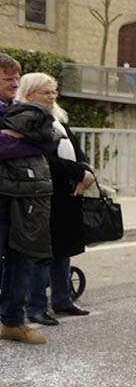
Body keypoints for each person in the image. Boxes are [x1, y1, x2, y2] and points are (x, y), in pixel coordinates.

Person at [16, 73, 94, 326]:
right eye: (46, 93)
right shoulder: (29, 123)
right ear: (30, 96)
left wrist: (86, 175)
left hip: (67, 196)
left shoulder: (58, 122)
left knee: (63, 252)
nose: (52, 97)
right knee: (42, 255)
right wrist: (79, 173)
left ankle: (63, 300)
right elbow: (46, 161)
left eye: (53, 92)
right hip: (42, 197)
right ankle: (36, 306)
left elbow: (79, 155)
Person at [0, 53, 60, 345]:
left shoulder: (24, 109)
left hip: (26, 199)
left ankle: (13, 322)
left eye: (16, 78)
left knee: (21, 261)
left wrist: (14, 137)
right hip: (4, 196)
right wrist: (26, 140)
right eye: (8, 78)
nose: (15, 83)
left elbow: (49, 139)